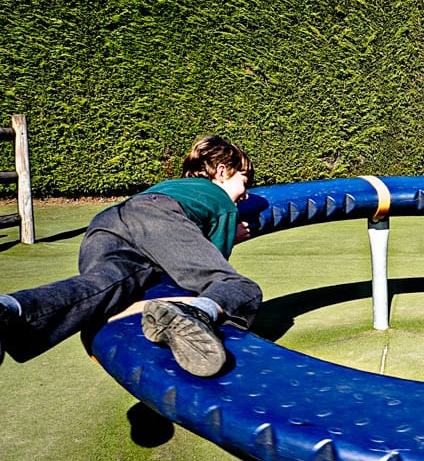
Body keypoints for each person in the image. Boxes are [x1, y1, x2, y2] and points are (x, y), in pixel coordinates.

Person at [0, 135, 262, 377]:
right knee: (238, 286)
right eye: (244, 181)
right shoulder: (219, 198)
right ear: (222, 171)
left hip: (105, 224)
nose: (246, 193)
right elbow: (210, 268)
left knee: (107, 283)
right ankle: (195, 312)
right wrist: (232, 234)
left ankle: (11, 309)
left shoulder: (175, 185)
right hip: (158, 218)